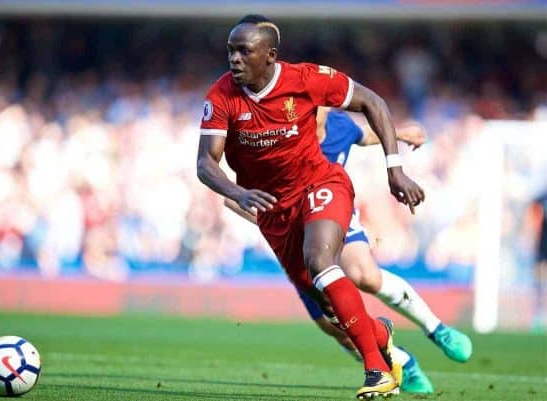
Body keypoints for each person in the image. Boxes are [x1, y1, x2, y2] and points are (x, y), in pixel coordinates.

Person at [197, 14, 425, 398]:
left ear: (270, 56)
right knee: (328, 305)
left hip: (321, 184)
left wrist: (394, 168)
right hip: (274, 210)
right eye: (231, 51)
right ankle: (380, 333)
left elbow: (371, 101)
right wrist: (238, 193)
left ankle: (378, 372)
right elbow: (206, 163)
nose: (234, 59)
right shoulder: (220, 97)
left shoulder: (305, 79)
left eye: (244, 51)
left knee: (321, 261)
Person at [225, 108, 473, 394]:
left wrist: (400, 134)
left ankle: (437, 329)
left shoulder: (339, 125)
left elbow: (363, 135)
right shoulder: (279, 138)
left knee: (364, 274)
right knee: (335, 327)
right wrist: (272, 221)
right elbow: (233, 196)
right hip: (294, 232)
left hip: (335, 214)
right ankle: (402, 362)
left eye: (317, 105)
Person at [530, 189, 547, 331]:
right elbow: (533, 211)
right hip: (543, 245)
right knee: (540, 283)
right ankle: (539, 315)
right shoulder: (542, 196)